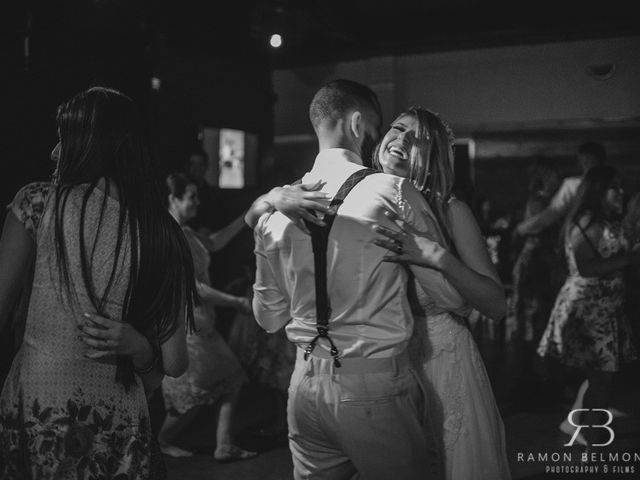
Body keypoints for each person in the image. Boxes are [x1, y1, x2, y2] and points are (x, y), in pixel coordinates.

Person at [250, 80, 465, 480]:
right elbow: (452, 298)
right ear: (356, 123)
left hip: (303, 388)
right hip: (373, 388)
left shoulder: (275, 207)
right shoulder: (393, 191)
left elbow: (268, 319)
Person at [0, 86, 198, 479]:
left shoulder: (37, 204)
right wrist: (140, 347)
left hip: (41, 412)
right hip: (119, 424)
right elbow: (173, 363)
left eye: (64, 138)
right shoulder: (164, 233)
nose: (55, 152)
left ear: (90, 144)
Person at [370, 107, 511, 479]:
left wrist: (437, 256)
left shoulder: (451, 211)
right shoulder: (360, 204)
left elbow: (496, 305)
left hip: (443, 362)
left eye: (415, 139)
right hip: (381, 365)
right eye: (397, 129)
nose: (400, 139)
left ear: (431, 159)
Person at [537, 165, 639, 446]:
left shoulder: (606, 220)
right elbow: (586, 267)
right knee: (602, 377)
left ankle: (578, 424)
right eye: (614, 187)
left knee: (601, 375)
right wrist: (628, 260)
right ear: (597, 191)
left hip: (605, 308)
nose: (621, 192)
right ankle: (592, 439)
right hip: (588, 310)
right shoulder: (586, 222)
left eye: (621, 186)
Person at [158, 173, 256, 462]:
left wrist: (246, 217)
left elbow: (213, 242)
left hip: (203, 326)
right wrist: (237, 301)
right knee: (191, 395)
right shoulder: (170, 235)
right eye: (191, 197)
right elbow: (193, 288)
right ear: (173, 199)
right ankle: (159, 442)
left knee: (231, 380)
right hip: (185, 328)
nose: (197, 202)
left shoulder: (186, 232)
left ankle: (224, 444)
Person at [514, 142, 607, 237]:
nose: (584, 164)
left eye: (587, 161)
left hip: (583, 238)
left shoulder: (573, 185)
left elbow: (553, 212)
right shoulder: (611, 183)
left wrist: (520, 229)